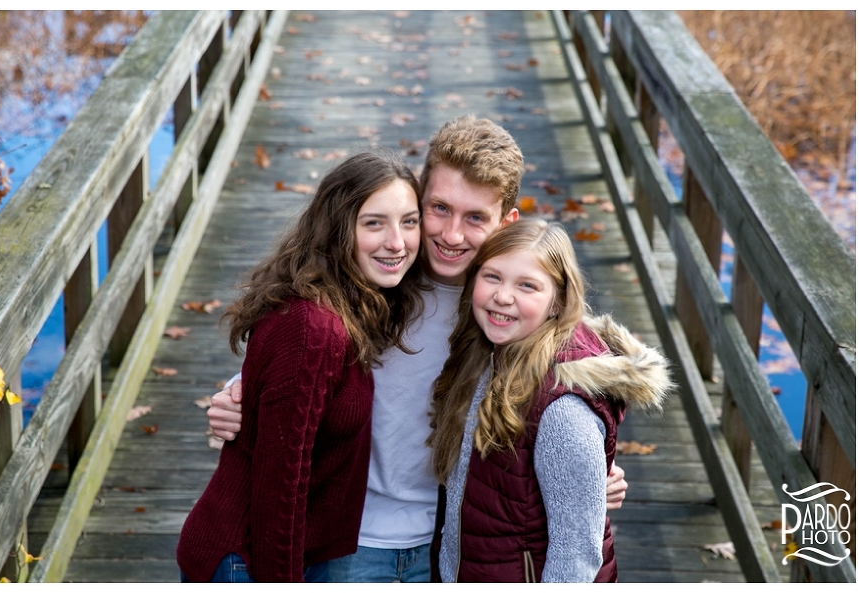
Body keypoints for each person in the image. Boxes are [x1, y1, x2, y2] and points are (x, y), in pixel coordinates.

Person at [206, 115, 629, 582]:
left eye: (474, 219)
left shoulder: (504, 306)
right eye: (439, 209)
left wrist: (594, 469)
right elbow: (301, 350)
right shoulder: (379, 275)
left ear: (506, 222)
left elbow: (560, 381)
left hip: (446, 545)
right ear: (419, 195)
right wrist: (238, 392)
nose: (451, 236)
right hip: (349, 540)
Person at [175, 150, 426, 582]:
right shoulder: (315, 328)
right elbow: (279, 491)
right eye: (374, 223)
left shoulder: (352, 303)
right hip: (245, 561)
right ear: (338, 228)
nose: (397, 242)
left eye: (409, 221)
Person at [429, 219, 672, 582]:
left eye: (527, 285)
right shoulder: (492, 354)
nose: (503, 296)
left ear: (558, 301)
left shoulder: (561, 411)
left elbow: (576, 554)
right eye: (492, 276)